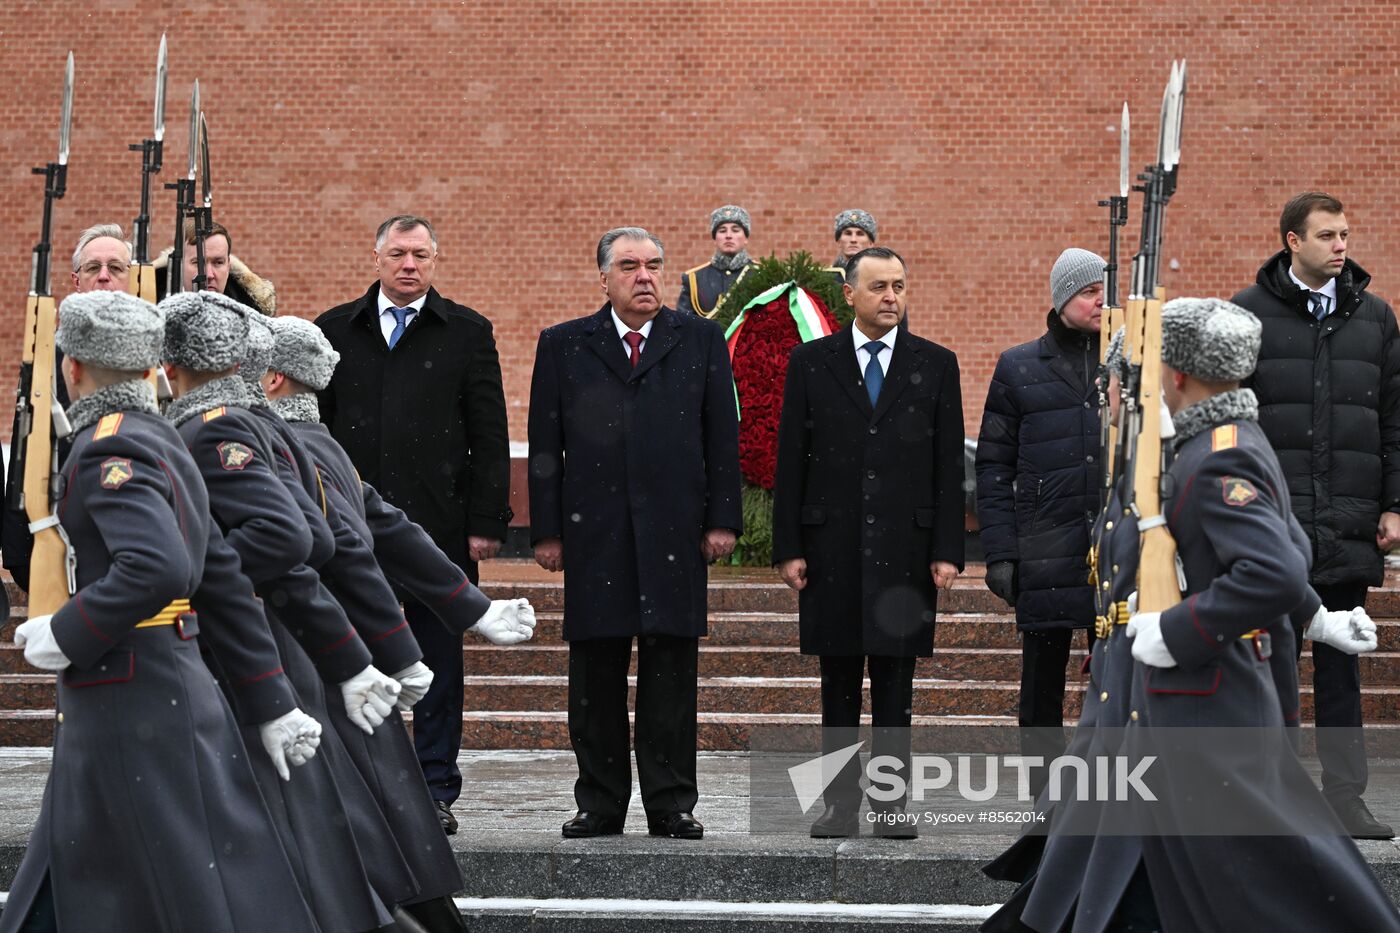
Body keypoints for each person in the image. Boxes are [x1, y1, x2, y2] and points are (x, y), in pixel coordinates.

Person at [1071, 297, 1400, 932]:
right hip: (1150, 702)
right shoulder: (1193, 447)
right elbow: (1283, 551)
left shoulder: (1216, 453)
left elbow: (1275, 565)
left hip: (1199, 699)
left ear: (1178, 374)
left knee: (1257, 883)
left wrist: (1177, 628)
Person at [0, 290, 321, 933]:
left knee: (171, 887)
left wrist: (69, 631)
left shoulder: (107, 446)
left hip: (129, 694)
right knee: (78, 874)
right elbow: (220, 572)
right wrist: (270, 696)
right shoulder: (161, 435)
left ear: (72, 369)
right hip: (160, 685)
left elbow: (160, 567)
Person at [162, 289, 422, 931]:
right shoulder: (255, 423)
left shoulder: (215, 427)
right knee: (311, 841)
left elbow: (303, 539)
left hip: (256, 646)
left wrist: (185, 571)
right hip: (285, 642)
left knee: (290, 844)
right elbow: (330, 538)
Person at [528, 226, 742, 840]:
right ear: (604, 278)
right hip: (595, 534)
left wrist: (722, 518)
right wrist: (546, 531)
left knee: (671, 673)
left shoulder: (699, 340)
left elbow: (719, 437)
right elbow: (546, 445)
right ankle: (599, 803)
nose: (643, 276)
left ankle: (671, 803)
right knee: (594, 677)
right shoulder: (565, 344)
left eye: (652, 265)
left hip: (676, 530)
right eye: (629, 266)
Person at [316, 213, 513, 834]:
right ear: (376, 258)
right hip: (348, 528)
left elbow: (488, 431)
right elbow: (310, 429)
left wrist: (486, 521)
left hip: (437, 532)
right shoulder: (332, 331)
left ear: (436, 260)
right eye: (399, 253)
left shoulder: (466, 333)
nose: (410, 265)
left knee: (437, 664)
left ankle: (433, 788)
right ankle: (360, 782)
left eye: (421, 255)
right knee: (350, 654)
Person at [771, 246, 964, 838]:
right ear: (849, 294)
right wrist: (789, 546)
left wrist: (948, 548)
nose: (891, 297)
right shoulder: (812, 363)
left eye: (899, 286)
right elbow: (791, 461)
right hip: (832, 549)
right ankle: (839, 806)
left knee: (895, 682)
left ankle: (891, 805)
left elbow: (947, 463)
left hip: (906, 549)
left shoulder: (935, 364)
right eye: (878, 286)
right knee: (836, 685)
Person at [1232, 191, 1400, 839]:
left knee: (1341, 666)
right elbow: (1231, 418)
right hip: (1271, 526)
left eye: (1345, 234)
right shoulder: (1247, 314)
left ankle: (1346, 797)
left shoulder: (1376, 319)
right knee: (1269, 661)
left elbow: (1393, 421)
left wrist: (1392, 504)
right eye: (1327, 235)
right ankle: (1273, 793)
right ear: (1291, 240)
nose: (1341, 245)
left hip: (1349, 518)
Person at [975, 247, 1104, 797]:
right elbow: (993, 465)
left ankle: (1112, 793)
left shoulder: (1132, 363)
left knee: (1118, 682)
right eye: (1088, 292)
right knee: (1042, 683)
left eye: (1105, 290)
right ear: (1061, 299)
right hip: (1046, 542)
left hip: (1117, 547)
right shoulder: (1020, 366)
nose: (1101, 301)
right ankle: (1043, 799)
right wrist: (1001, 552)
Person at [3, 223, 131, 591]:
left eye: (115, 268)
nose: (104, 277)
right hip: (64, 538)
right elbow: (27, 447)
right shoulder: (49, 357)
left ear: (131, 278)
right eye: (93, 268)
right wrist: (18, 551)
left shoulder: (156, 356)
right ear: (77, 280)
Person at [156, 217, 278, 313]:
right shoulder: (151, 308)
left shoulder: (252, 316)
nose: (209, 275)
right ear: (179, 264)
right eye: (198, 263)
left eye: (218, 263)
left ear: (228, 266)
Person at [676, 204, 755, 316]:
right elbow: (684, 324)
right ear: (715, 239)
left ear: (746, 238)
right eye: (722, 231)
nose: (728, 235)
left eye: (735, 230)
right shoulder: (694, 279)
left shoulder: (760, 274)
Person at [826, 209, 878, 276]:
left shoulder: (881, 276)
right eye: (848, 233)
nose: (853, 240)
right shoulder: (826, 277)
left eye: (860, 234)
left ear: (871, 243)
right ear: (839, 241)